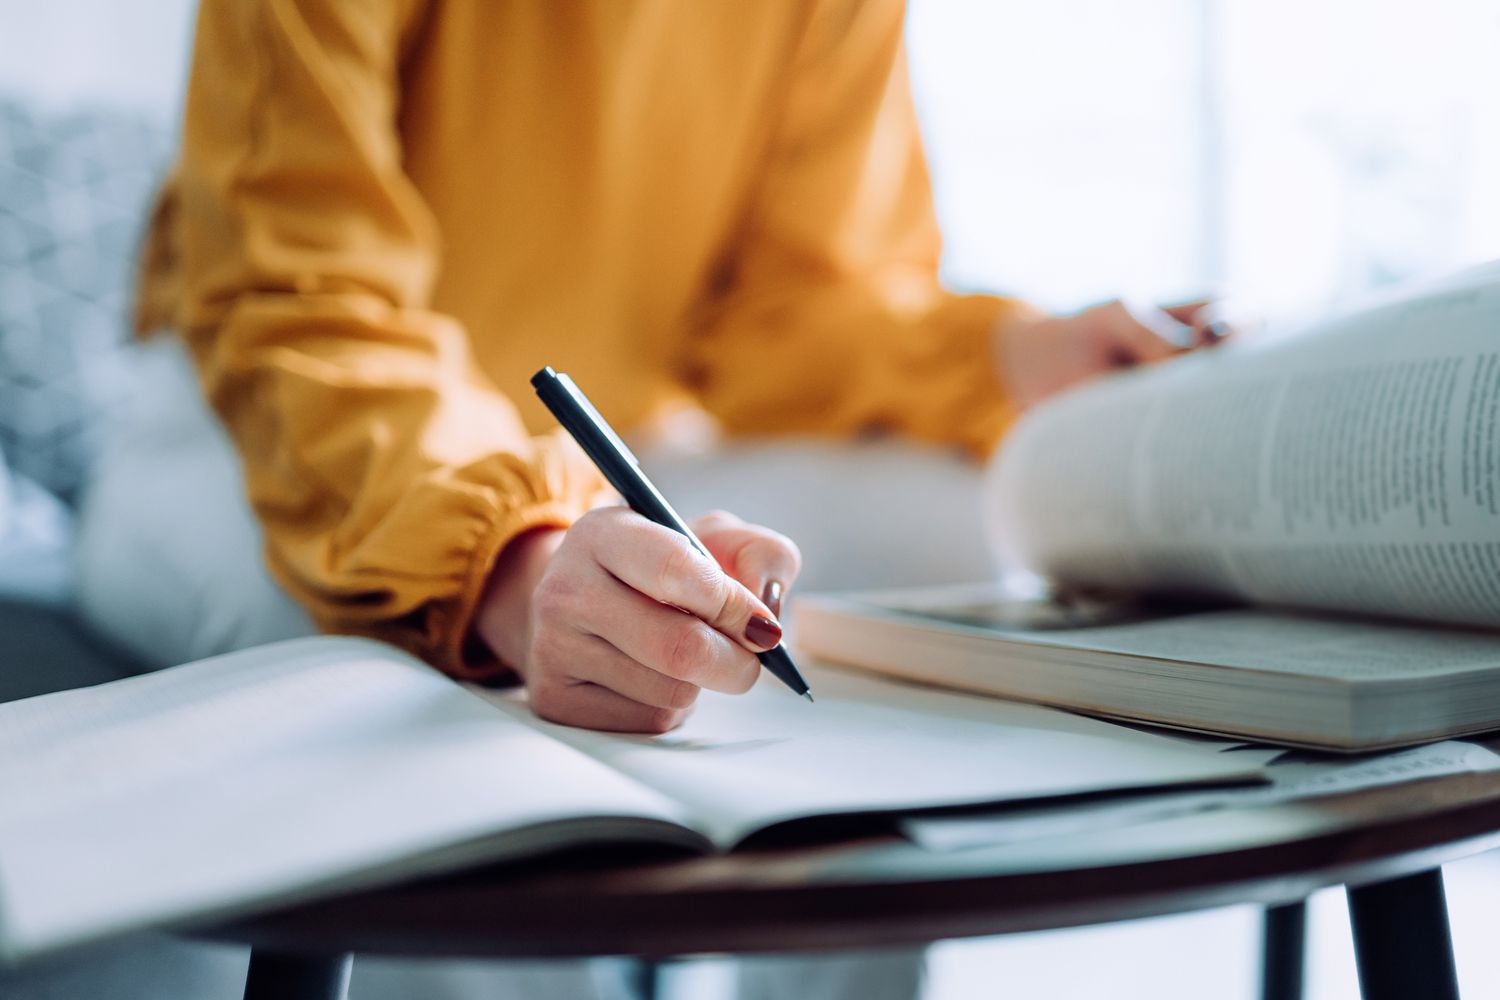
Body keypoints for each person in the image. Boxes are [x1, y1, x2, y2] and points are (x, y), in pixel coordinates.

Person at [70, 1, 1222, 997]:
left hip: (592, 457)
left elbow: (785, 309)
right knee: (368, 660)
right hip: (253, 443)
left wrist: (1006, 359)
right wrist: (501, 563)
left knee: (952, 521)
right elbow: (301, 306)